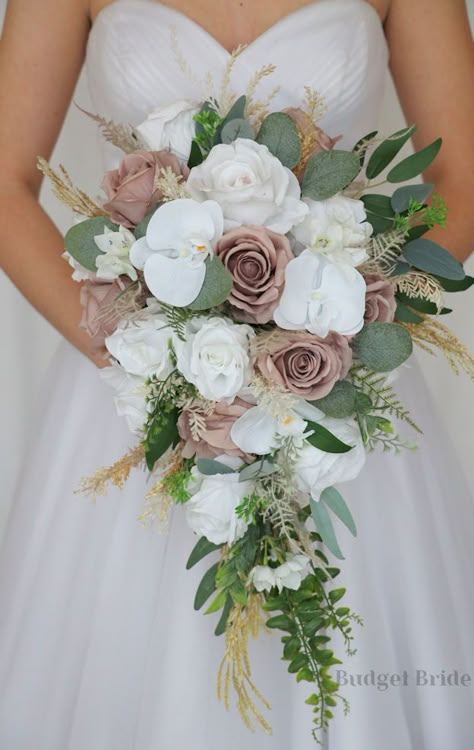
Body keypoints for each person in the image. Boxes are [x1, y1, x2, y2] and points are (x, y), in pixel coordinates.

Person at [0, 1, 473, 748]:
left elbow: (461, 170)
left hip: (330, 375)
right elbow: (3, 180)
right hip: (130, 385)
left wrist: (345, 325)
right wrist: (149, 353)